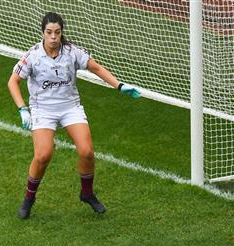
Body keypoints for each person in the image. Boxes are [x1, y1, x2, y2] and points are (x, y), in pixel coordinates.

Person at [8, 11, 141, 219]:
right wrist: (22, 109)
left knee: (87, 152)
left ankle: (86, 193)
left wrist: (119, 85)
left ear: (62, 33)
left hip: (70, 107)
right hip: (43, 109)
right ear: (42, 33)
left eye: (57, 32)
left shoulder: (72, 52)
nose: (53, 37)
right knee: (43, 155)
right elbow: (12, 81)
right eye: (49, 32)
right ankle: (29, 199)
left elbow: (95, 67)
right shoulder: (32, 56)